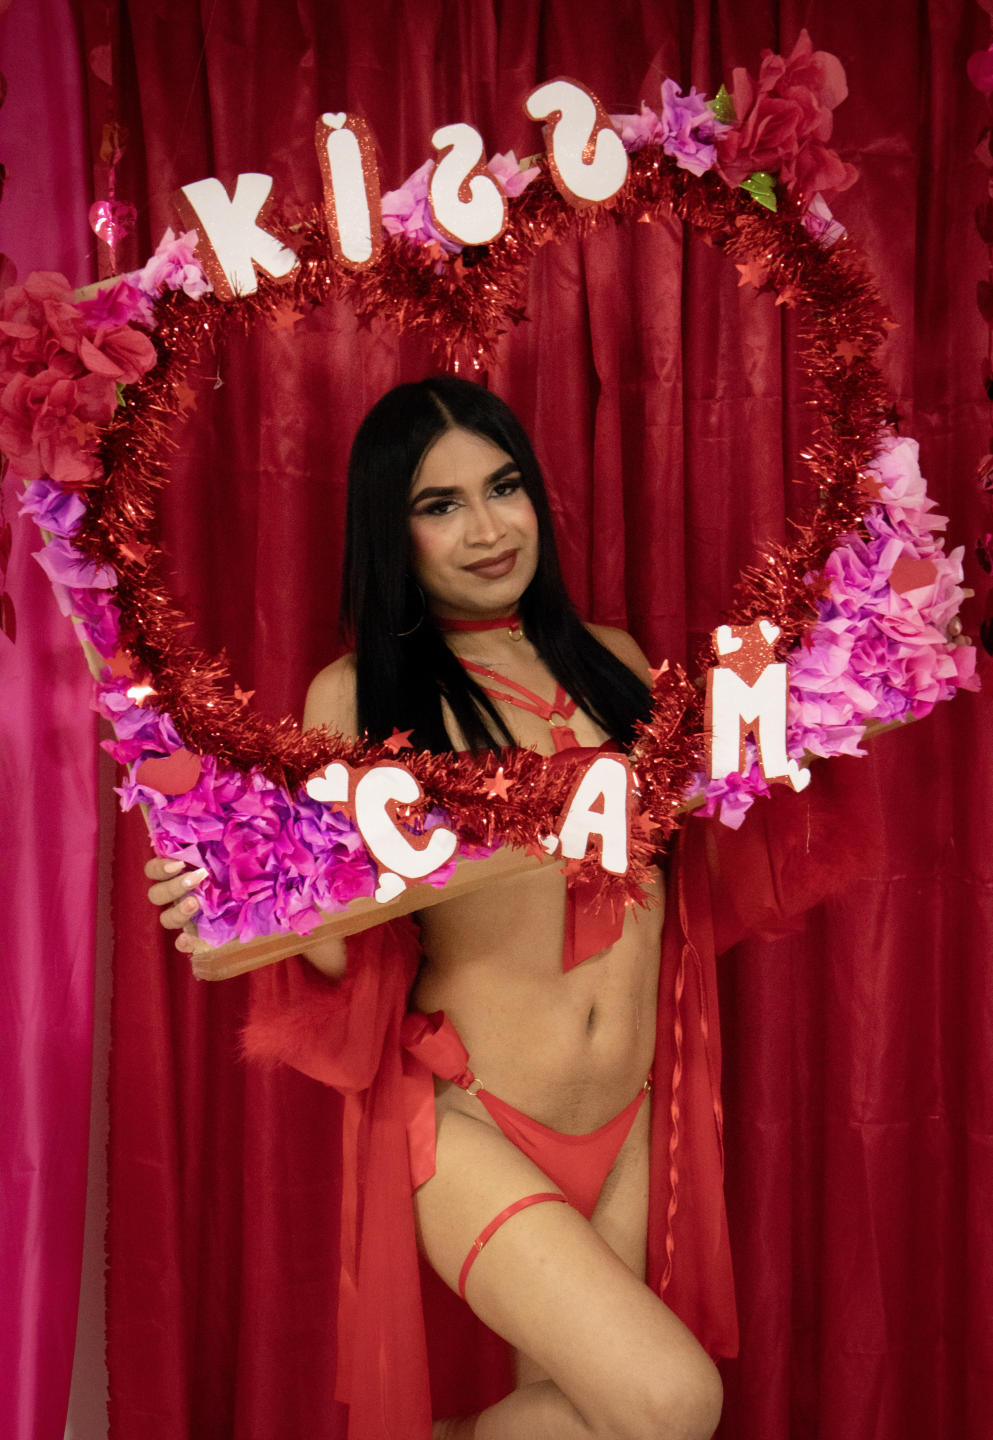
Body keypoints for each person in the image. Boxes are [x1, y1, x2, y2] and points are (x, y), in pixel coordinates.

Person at [146, 376, 786, 1438]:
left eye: (503, 487)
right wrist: (229, 889)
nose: (488, 529)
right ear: (390, 530)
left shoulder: (615, 664)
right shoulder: (358, 696)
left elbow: (712, 860)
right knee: (672, 1405)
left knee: (591, 1423)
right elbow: (344, 953)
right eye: (439, 505)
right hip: (473, 1119)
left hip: (627, 1113)